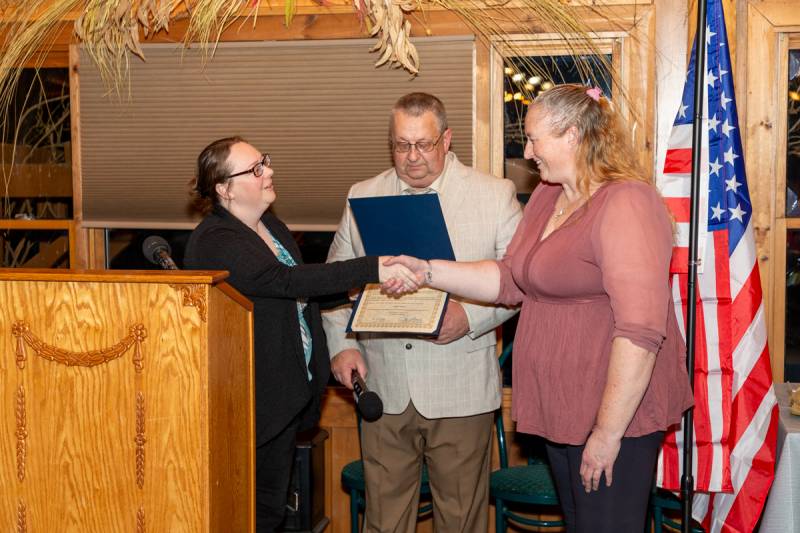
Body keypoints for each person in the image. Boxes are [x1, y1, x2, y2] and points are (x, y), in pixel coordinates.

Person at [385, 84, 695, 533]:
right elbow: (510, 278)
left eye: (534, 138)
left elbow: (640, 332)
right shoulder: (550, 197)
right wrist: (428, 270)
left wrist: (607, 434)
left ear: (572, 136)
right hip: (564, 409)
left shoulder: (627, 201)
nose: (528, 152)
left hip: (613, 416)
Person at [183, 136, 419, 532]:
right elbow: (285, 281)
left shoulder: (270, 226)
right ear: (224, 189)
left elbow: (303, 296)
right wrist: (371, 269)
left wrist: (358, 301)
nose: (269, 171)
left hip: (285, 398)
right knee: (251, 516)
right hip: (249, 404)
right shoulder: (215, 239)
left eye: (266, 162)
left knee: (273, 512)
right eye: (255, 168)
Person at [323, 92, 523, 532]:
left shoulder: (494, 195)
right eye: (400, 145)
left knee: (461, 521)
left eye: (424, 144)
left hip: (460, 386)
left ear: (447, 140)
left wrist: (468, 320)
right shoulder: (363, 194)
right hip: (384, 386)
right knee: (385, 522)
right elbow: (335, 282)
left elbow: (518, 281)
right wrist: (342, 347)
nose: (412, 157)